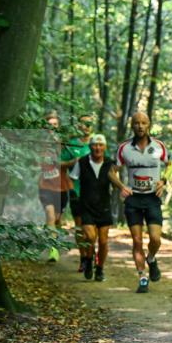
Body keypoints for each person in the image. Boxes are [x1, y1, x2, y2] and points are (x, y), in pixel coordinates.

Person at [109, 112, 170, 293]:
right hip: (133, 199)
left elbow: (170, 164)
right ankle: (142, 277)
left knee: (155, 239)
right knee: (136, 240)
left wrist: (164, 180)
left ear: (149, 124)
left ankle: (151, 259)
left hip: (152, 198)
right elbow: (112, 171)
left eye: (143, 123)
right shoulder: (124, 148)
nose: (140, 126)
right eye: (136, 123)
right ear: (132, 126)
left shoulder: (159, 147)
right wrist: (121, 186)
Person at [70, 134, 114, 282]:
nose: (98, 148)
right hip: (86, 205)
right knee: (90, 237)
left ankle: (100, 268)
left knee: (103, 241)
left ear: (105, 147)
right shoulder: (82, 162)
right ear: (90, 147)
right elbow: (72, 179)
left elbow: (115, 181)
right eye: (95, 145)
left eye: (101, 145)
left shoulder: (110, 163)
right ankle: (88, 260)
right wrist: (73, 194)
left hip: (104, 206)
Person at [61, 113, 95, 273]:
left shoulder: (98, 143)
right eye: (83, 123)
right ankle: (83, 258)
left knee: (93, 228)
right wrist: (72, 162)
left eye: (89, 123)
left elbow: (108, 166)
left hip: (95, 193)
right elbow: (59, 164)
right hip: (77, 191)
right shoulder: (72, 144)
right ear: (78, 126)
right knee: (80, 227)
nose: (86, 126)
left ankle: (91, 256)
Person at [38, 111, 67, 262]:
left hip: (62, 187)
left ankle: (54, 238)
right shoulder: (39, 145)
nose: (52, 128)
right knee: (50, 215)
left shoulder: (64, 144)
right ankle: (53, 250)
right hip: (45, 186)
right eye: (49, 125)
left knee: (57, 220)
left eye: (55, 125)